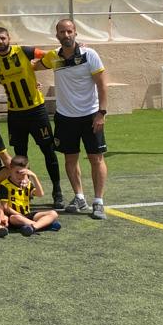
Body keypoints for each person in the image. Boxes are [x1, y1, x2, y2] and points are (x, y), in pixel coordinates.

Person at [39, 19, 109, 220]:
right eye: (62, 32)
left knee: (96, 158)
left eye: (69, 31)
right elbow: (32, 65)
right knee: (70, 159)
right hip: (65, 117)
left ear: (76, 32)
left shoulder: (89, 54)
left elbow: (102, 85)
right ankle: (79, 197)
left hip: (91, 115)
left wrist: (101, 113)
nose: (66, 35)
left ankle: (98, 201)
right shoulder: (53, 56)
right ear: (57, 35)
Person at [0, 27, 64, 208]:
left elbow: (48, 55)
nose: (0, 42)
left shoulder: (24, 51)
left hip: (36, 111)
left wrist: (34, 69)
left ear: (9, 38)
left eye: (2, 38)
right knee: (20, 156)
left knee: (48, 150)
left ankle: (57, 191)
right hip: (15, 114)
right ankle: (24, 191)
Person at [0, 154, 61, 236]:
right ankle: (45, 225)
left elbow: (40, 194)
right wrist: (19, 214)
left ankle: (33, 227)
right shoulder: (5, 185)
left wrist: (34, 176)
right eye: (17, 172)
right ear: (10, 169)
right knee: (15, 218)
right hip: (15, 215)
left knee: (53, 213)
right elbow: (5, 207)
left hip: (27, 214)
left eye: (23, 173)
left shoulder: (27, 184)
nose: (20, 176)